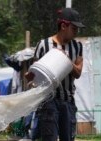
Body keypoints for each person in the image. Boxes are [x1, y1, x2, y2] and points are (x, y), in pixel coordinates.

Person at [26, 8, 84, 141]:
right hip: (48, 102)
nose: (76, 32)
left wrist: (66, 61)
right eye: (74, 28)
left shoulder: (77, 47)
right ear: (63, 26)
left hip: (67, 102)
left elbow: (78, 73)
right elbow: (34, 71)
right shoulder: (43, 45)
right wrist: (30, 77)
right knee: (49, 138)